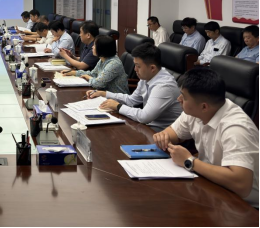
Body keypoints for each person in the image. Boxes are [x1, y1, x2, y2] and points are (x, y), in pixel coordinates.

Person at [153, 69, 258, 208]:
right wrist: (163, 137)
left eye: (184, 97)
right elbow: (173, 133)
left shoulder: (236, 129)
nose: (179, 99)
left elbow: (241, 184)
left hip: (245, 206)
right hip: (212, 187)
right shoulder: (196, 111)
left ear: (204, 107)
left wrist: (189, 161)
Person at [88, 43, 182, 130]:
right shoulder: (146, 77)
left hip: (163, 133)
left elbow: (144, 116)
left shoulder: (164, 86)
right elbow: (131, 100)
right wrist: (104, 94)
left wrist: (117, 106)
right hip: (148, 126)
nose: (135, 69)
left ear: (152, 68)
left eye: (138, 66)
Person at [63, 35, 128, 94]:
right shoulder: (103, 59)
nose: (92, 47)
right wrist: (73, 73)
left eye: (94, 45)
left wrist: (89, 77)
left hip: (116, 99)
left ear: (101, 48)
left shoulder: (113, 64)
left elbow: (98, 84)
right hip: (104, 94)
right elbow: (93, 74)